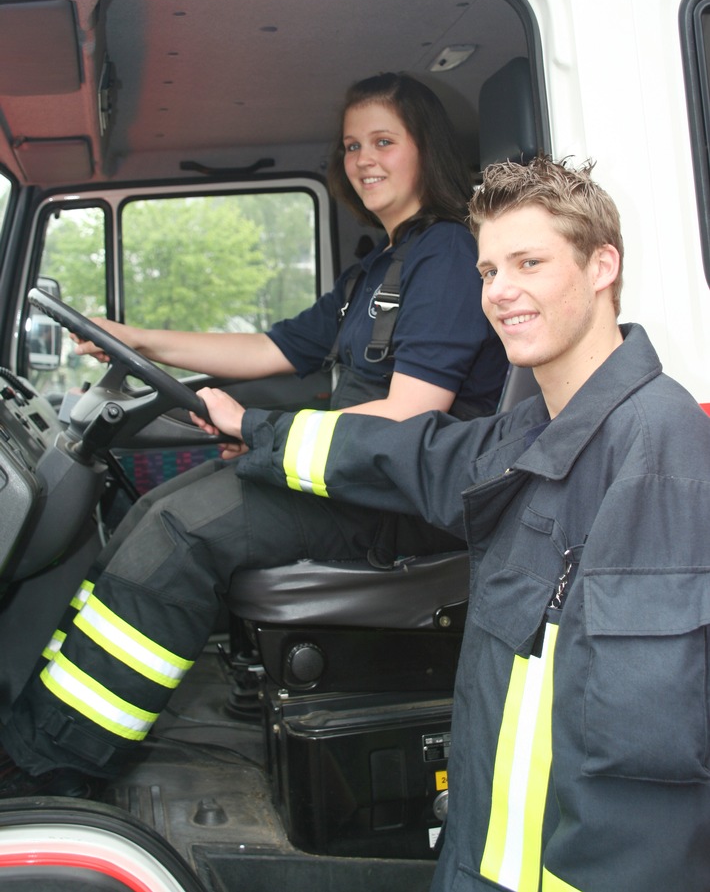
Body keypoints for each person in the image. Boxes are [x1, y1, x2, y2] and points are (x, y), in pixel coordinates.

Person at [192, 155, 710, 892]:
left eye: (529, 262)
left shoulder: (655, 451)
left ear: (602, 266)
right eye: (489, 270)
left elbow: (639, 782)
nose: (501, 292)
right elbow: (404, 455)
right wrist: (256, 429)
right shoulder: (532, 431)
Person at [0, 72, 507, 797]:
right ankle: (50, 721)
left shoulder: (449, 256)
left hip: (401, 501)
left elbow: (410, 418)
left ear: (426, 147)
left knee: (179, 528)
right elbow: (267, 350)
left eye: (383, 142)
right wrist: (128, 336)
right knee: (151, 507)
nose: (364, 159)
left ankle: (56, 763)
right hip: (354, 476)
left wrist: (261, 428)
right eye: (352, 145)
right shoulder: (379, 266)